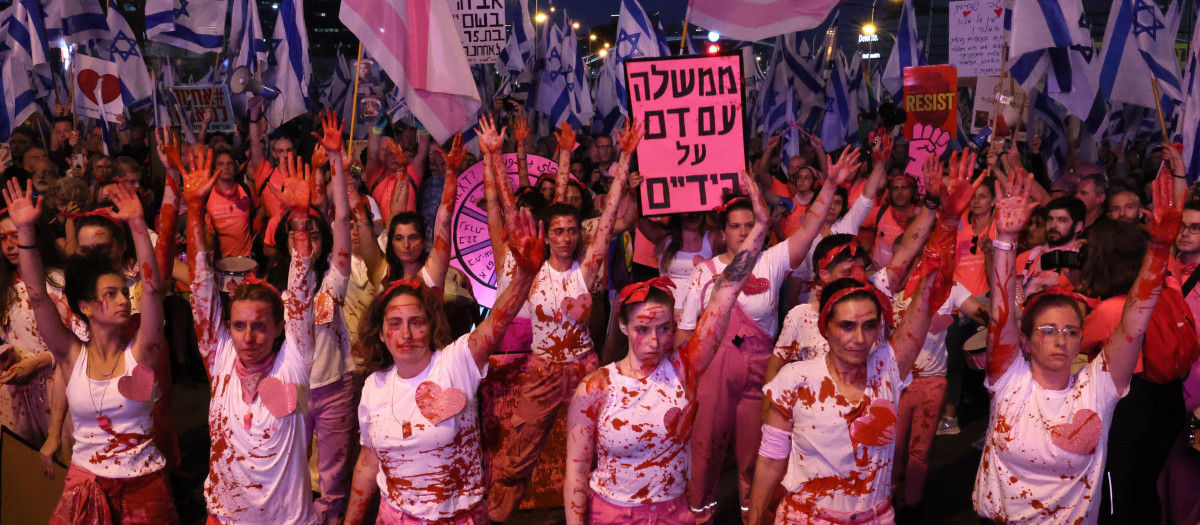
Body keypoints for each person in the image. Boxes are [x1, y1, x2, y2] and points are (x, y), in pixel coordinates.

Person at [972, 170, 1180, 524]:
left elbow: (1134, 321)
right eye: (1048, 330)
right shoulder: (1009, 379)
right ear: (1024, 340)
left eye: (1071, 331)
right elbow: (1001, 316)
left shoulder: (1097, 387)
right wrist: (1006, 240)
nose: (1061, 338)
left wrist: (1159, 251)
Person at [564, 171, 770, 524]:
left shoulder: (686, 367)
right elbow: (576, 473)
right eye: (643, 329)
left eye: (664, 329)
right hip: (612, 514)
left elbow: (724, 293)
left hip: (673, 513)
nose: (656, 340)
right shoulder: (595, 387)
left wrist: (760, 227)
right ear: (625, 327)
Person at [678, 149, 862, 523]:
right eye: (736, 226)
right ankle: (698, 517)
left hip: (757, 378)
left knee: (755, 457)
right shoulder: (703, 273)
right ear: (723, 231)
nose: (744, 232)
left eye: (750, 224)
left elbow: (810, 225)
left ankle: (755, 518)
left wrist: (832, 182)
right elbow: (684, 335)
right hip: (711, 379)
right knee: (704, 455)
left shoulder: (773, 259)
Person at [746, 208, 956, 525]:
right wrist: (777, 416)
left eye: (870, 326)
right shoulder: (796, 362)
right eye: (846, 326)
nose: (858, 338)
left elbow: (923, 290)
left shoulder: (886, 364)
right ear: (825, 326)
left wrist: (940, 214)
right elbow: (772, 451)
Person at [344, 207, 544, 525]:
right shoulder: (374, 386)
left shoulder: (455, 361)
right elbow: (368, 462)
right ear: (381, 334)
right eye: (395, 323)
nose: (406, 333)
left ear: (431, 325)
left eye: (416, 322)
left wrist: (525, 276)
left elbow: (496, 323)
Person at [487, 119, 642, 523]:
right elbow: (508, 208)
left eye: (573, 230)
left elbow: (608, 213)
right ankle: (496, 517)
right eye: (558, 230)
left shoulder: (587, 268)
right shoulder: (533, 269)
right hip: (542, 370)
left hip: (584, 369)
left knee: (593, 449)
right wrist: (493, 156)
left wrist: (625, 157)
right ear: (547, 234)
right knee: (517, 455)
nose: (567, 237)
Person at [5, 178, 177, 523]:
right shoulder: (71, 354)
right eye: (109, 294)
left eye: (121, 292)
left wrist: (138, 226)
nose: (122, 299)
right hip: (87, 483)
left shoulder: (141, 352)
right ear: (85, 306)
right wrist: (25, 231)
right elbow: (38, 296)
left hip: (143, 486)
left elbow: (155, 288)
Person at [186, 146, 321, 523]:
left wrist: (299, 219)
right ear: (228, 328)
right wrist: (195, 211)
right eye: (240, 325)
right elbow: (200, 284)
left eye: (260, 326)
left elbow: (301, 294)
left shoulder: (294, 364)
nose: (249, 336)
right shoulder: (221, 356)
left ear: (279, 328)